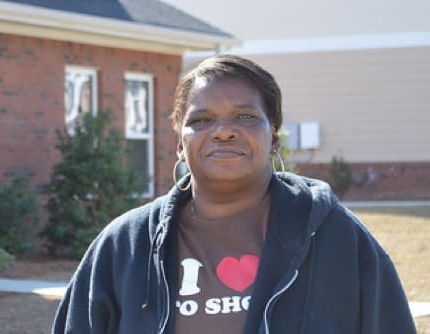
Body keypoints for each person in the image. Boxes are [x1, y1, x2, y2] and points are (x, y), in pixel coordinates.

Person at [51, 55, 416, 333]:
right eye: (201, 120)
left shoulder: (338, 237)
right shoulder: (123, 246)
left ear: (273, 138)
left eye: (244, 117)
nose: (223, 132)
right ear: (180, 144)